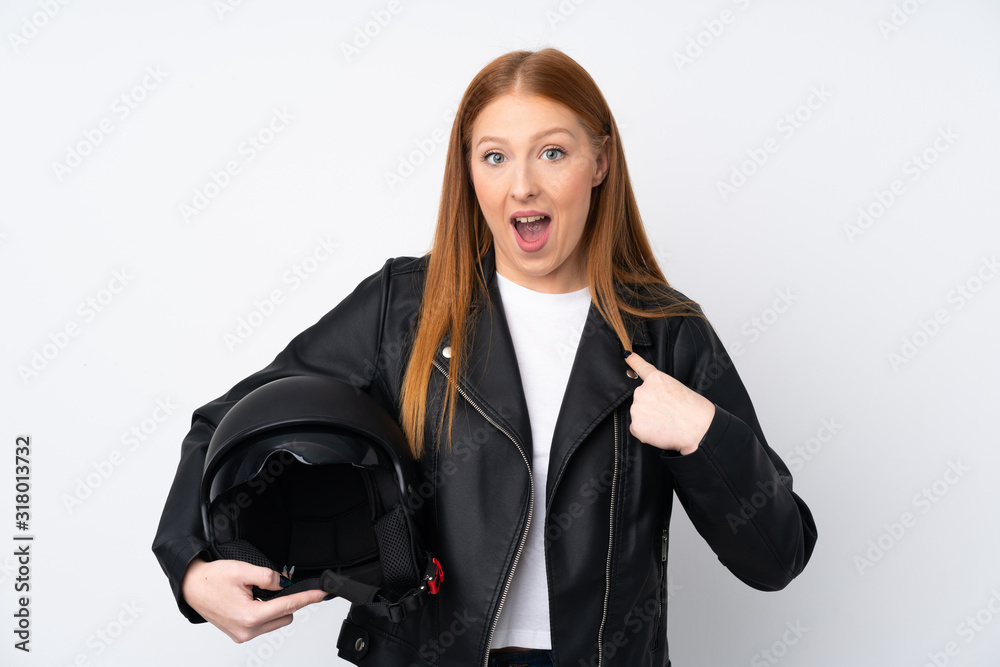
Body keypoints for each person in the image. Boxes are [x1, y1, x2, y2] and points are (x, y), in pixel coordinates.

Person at [153, 48, 817, 667]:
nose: (522, 185)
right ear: (469, 171)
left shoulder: (667, 333)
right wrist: (191, 566)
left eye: (552, 152)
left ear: (600, 161)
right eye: (495, 157)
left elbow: (776, 556)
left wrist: (704, 435)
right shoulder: (402, 309)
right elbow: (226, 424)